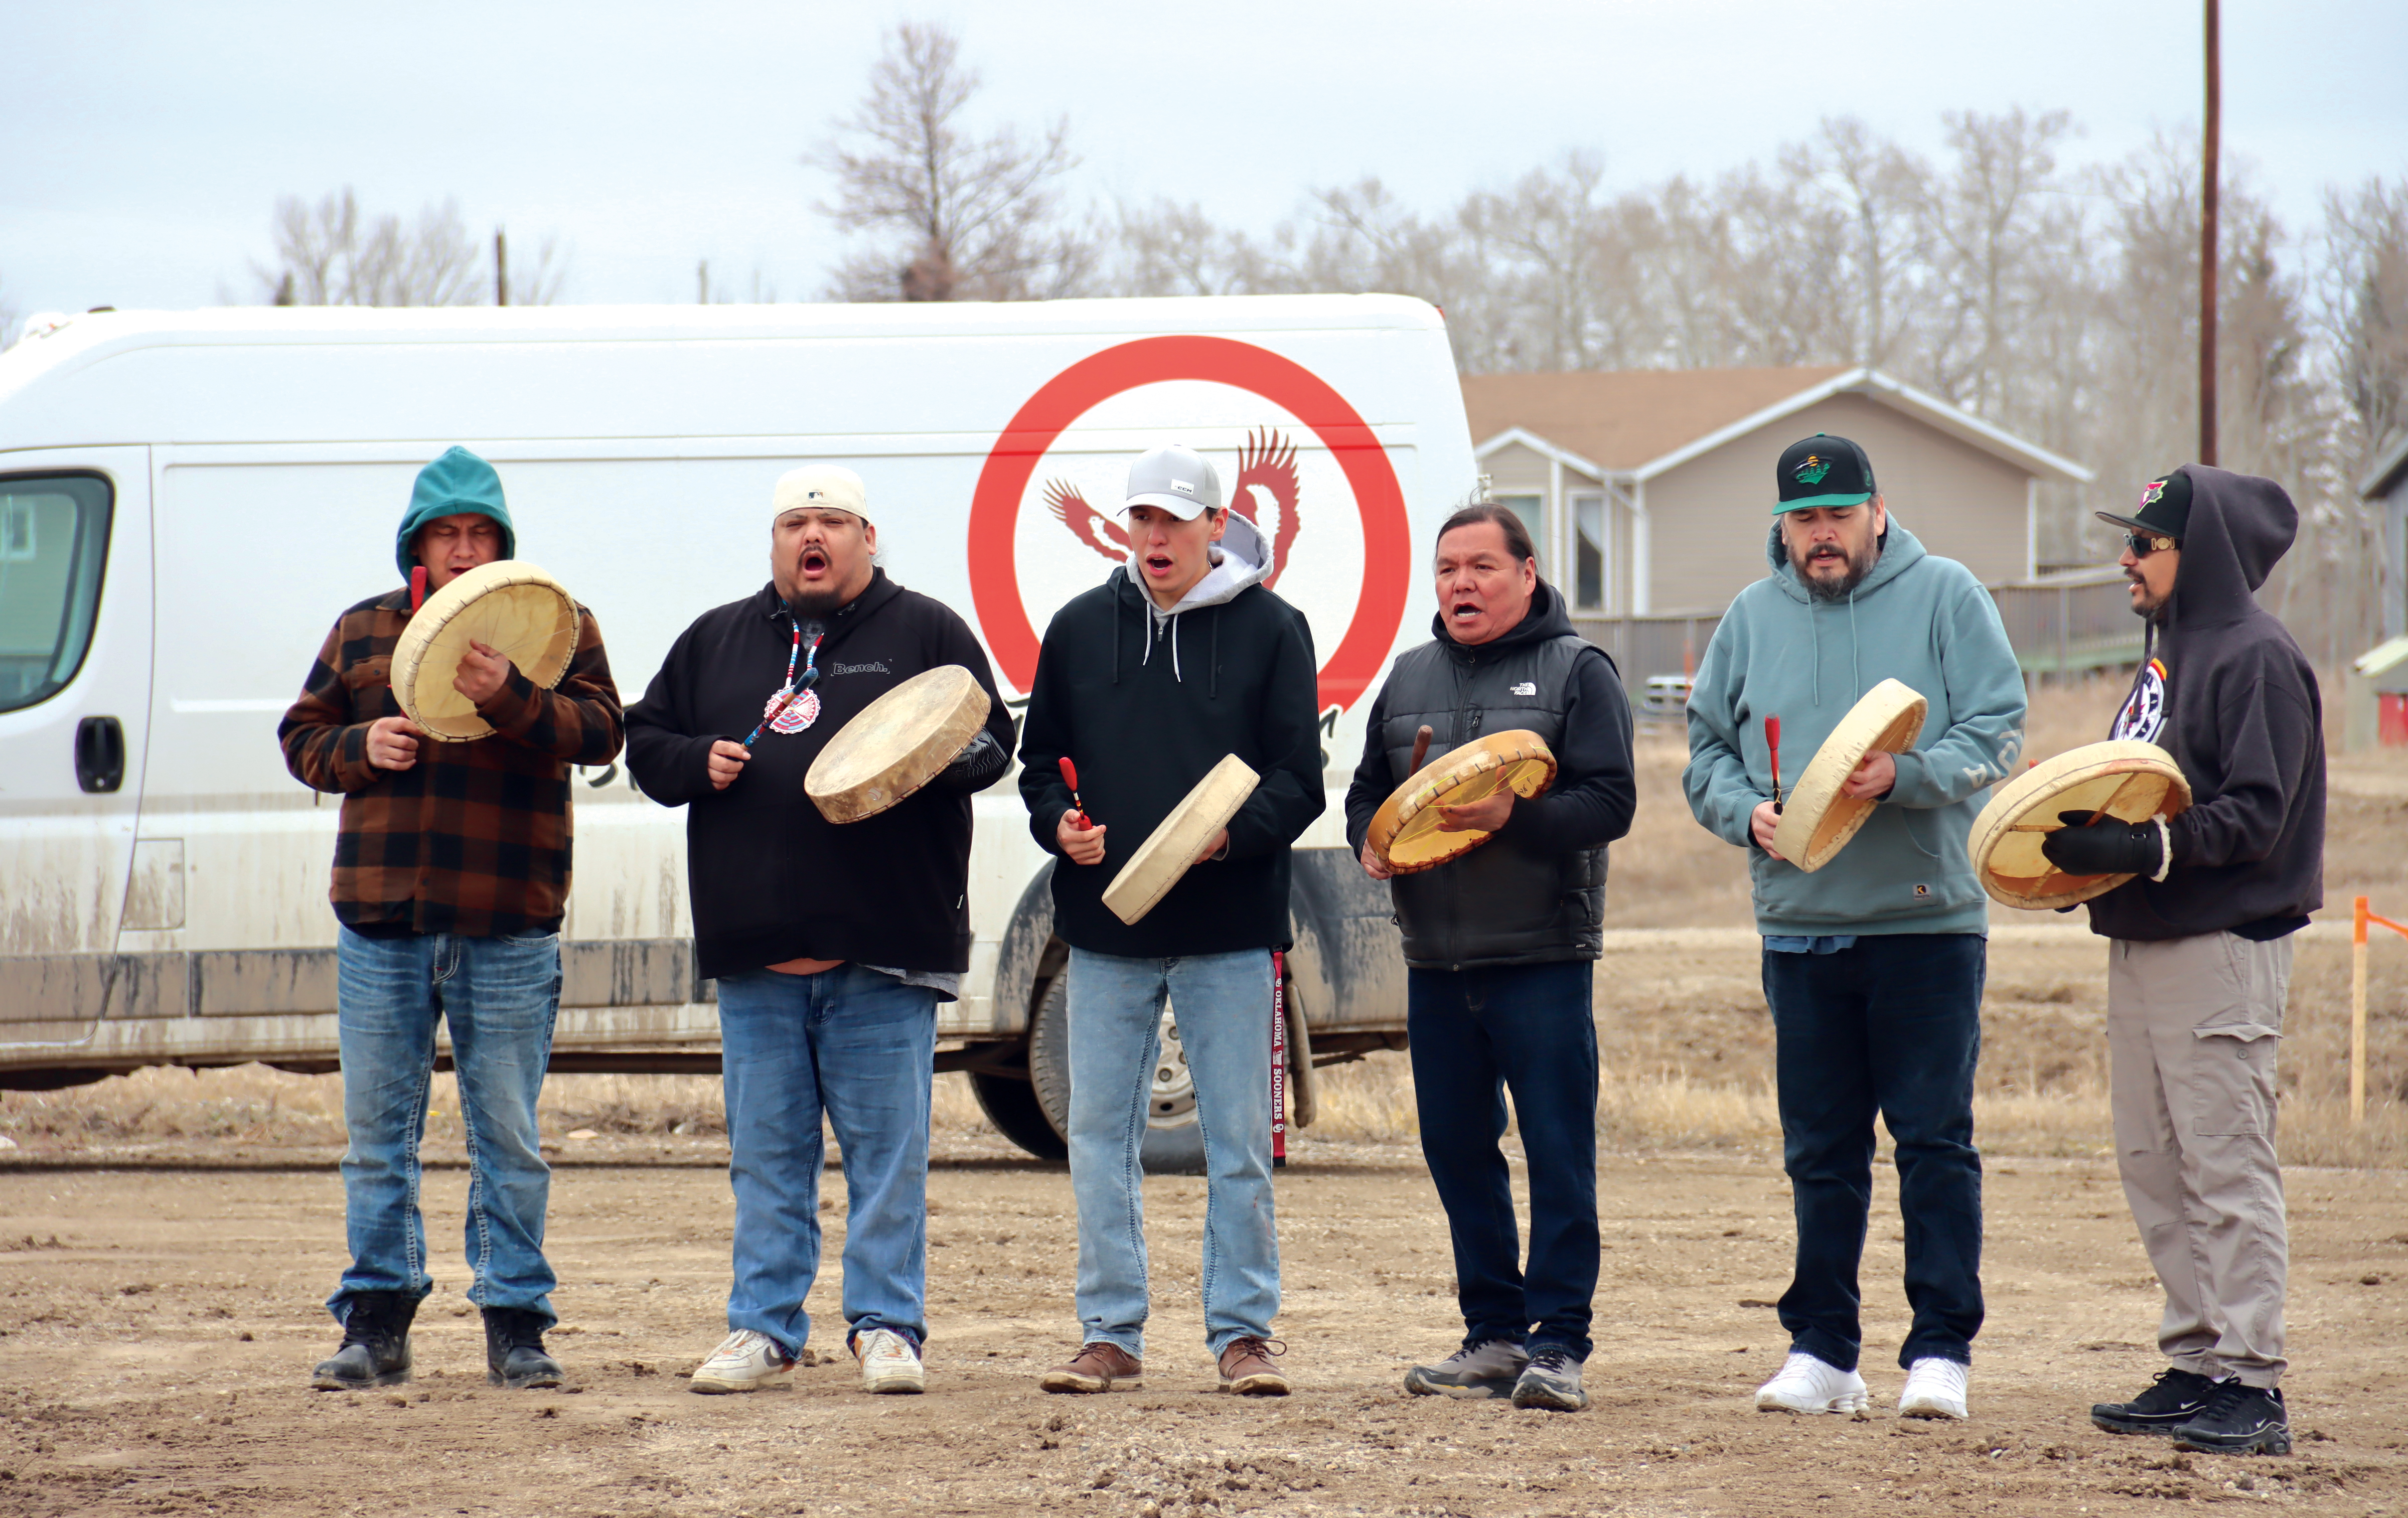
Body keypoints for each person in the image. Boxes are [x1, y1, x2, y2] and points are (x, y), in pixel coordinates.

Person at [625, 465, 1016, 1397]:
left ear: (867, 538)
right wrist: (695, 759)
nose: (814, 535)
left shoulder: (925, 630)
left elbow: (993, 743)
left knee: (887, 1161)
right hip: (757, 957)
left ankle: (886, 1327)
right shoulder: (715, 639)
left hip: (884, 953)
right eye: (795, 522)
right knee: (767, 1160)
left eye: (833, 521)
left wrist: (921, 757)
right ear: (774, 542)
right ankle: (763, 1328)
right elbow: (645, 744)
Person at [1683, 433, 2026, 1422]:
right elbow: (1705, 750)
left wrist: (1906, 775)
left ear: (1877, 512)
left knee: (1933, 1142)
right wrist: (1741, 809)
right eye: (1804, 519)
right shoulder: (1750, 617)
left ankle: (1941, 1350)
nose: (1822, 534)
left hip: (1926, 922)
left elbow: (1998, 726)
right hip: (1799, 925)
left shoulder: (1948, 594)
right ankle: (1824, 1351)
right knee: (1821, 1152)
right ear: (1783, 526)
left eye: (1839, 514)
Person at [279, 446, 624, 1393]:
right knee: (376, 1139)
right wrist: (360, 744)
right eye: (446, 534)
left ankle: (516, 1324)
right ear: (417, 545)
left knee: (507, 1137)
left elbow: (604, 732)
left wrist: (509, 696)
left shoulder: (556, 624)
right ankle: (375, 1322)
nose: (465, 550)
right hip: (381, 923)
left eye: (480, 533)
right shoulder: (363, 629)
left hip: (508, 922)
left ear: (502, 542)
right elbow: (301, 738)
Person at [1016, 443, 1323, 1397]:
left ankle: (1243, 1334)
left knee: (1239, 1144)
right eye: (1142, 518)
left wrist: (1227, 839)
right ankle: (1110, 1332)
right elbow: (1040, 764)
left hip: (1230, 929)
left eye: (1174, 520)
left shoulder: (1275, 629)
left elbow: (1299, 782)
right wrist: (1057, 825)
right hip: (1106, 932)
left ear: (1216, 526)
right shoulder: (1078, 628)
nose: (1155, 536)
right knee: (1098, 1138)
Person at [2047, 468, 2322, 1458]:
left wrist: (2141, 847)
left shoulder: (2256, 658)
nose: (2125, 558)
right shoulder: (2169, 654)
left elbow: (2258, 813)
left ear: (2195, 554)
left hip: (2220, 944)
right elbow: (2144, 786)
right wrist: (2084, 841)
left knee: (2224, 1163)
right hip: (2146, 937)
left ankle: (2253, 1379)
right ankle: (2197, 1359)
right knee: (2155, 1163)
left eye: (2144, 543)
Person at [1343, 502, 1637, 1413]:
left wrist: (1519, 816)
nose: (1461, 584)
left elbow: (1612, 802)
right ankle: (1494, 1334)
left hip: (1542, 953)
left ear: (1528, 573)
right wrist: (1370, 842)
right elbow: (1365, 796)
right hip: (1436, 961)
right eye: (1447, 570)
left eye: (1481, 566)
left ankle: (1560, 1342)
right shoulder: (1408, 676)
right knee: (1457, 1149)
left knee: (1557, 1150)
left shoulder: (1579, 669)